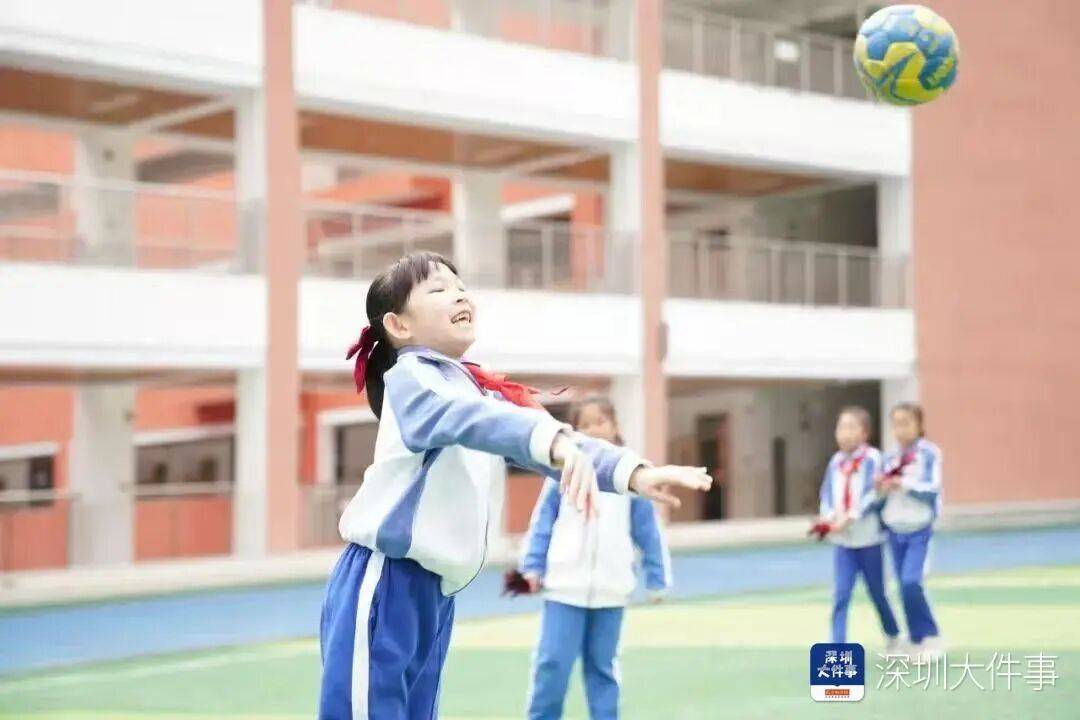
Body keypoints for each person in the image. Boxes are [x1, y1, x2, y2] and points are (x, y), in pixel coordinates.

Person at [318, 252, 711, 719]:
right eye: (439, 289)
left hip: (433, 591)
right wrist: (553, 442)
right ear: (398, 325)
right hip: (387, 580)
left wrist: (634, 472)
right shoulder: (412, 380)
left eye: (460, 286)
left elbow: (521, 430)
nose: (459, 294)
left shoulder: (470, 389)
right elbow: (476, 420)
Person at [521, 395, 671, 719]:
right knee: (552, 664)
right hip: (564, 589)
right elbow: (542, 523)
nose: (593, 430)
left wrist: (657, 576)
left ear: (615, 426)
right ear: (574, 431)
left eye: (600, 422)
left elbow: (648, 532)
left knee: (603, 669)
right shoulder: (560, 472)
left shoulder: (631, 474)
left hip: (611, 591)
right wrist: (532, 566)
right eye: (585, 425)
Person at [815, 406, 901, 650]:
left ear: (865, 433)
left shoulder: (873, 459)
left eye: (851, 427)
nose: (845, 433)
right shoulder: (835, 462)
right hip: (844, 542)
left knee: (877, 593)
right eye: (841, 428)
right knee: (841, 595)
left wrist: (851, 516)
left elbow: (873, 495)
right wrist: (828, 518)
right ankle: (837, 650)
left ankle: (893, 634)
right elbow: (827, 493)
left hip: (868, 539)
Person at [878, 402, 944, 658]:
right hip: (895, 529)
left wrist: (902, 484)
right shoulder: (888, 458)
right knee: (901, 586)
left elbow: (931, 489)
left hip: (918, 528)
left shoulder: (929, 454)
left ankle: (930, 635)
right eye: (896, 424)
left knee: (911, 583)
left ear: (919, 425)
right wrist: (881, 488)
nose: (900, 429)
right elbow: (881, 498)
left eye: (906, 423)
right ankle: (916, 640)